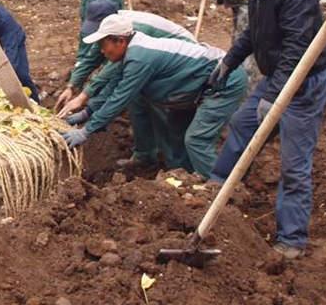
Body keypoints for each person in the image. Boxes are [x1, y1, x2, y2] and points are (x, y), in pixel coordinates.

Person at [207, 0, 326, 260]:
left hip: (304, 84)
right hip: (280, 76)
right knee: (243, 124)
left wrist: (273, 96)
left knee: (294, 165)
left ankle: (292, 240)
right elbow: (253, 34)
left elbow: (297, 51)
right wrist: (228, 63)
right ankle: (216, 187)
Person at [60, 13, 247, 180]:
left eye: (103, 44)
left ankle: (219, 189)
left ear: (119, 41)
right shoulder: (130, 51)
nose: (101, 51)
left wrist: (86, 131)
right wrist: (87, 112)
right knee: (175, 131)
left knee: (197, 139)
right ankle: (185, 177)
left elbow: (120, 97)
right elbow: (112, 86)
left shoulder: (140, 58)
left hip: (223, 82)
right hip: (195, 87)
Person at [54, 0, 195, 114]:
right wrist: (71, 87)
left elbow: (113, 67)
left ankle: (153, 144)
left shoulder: (127, 30)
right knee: (132, 91)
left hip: (184, 56)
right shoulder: (111, 30)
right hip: (159, 57)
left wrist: (83, 97)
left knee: (143, 94)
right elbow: (90, 58)